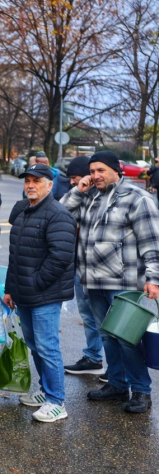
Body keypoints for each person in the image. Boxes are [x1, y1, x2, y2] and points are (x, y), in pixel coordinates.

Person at [61, 150, 159, 414]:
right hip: (93, 282)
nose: (95, 176)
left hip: (124, 282)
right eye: (92, 171)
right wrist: (79, 190)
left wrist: (154, 279)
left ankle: (141, 390)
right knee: (107, 336)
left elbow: (152, 243)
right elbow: (60, 213)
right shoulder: (89, 196)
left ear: (117, 170)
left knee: (127, 338)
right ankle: (117, 384)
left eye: (100, 170)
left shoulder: (137, 198)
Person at [3, 164, 77, 423]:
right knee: (35, 345)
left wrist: (35, 283)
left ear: (50, 184)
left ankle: (57, 401)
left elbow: (61, 257)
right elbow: (16, 255)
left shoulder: (58, 214)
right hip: (24, 293)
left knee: (47, 347)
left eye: (37, 181)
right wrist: (10, 289)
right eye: (28, 181)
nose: (30, 185)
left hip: (44, 294)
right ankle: (46, 392)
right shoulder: (25, 211)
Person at [59, 156, 106, 377]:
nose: (71, 182)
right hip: (81, 267)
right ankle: (94, 358)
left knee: (109, 321)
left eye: (75, 178)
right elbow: (60, 211)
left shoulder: (108, 197)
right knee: (89, 316)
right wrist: (78, 189)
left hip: (107, 273)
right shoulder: (82, 196)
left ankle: (118, 369)